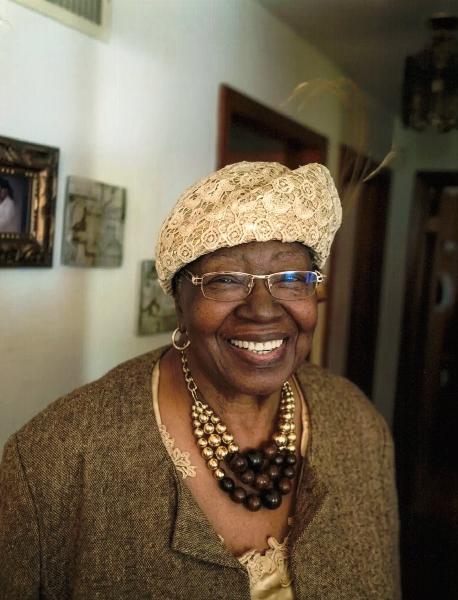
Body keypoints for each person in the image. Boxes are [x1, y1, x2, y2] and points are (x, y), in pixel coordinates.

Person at [0, 161, 400, 599]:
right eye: (226, 280)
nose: (263, 310)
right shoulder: (56, 458)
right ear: (180, 302)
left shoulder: (358, 425)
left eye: (290, 278)